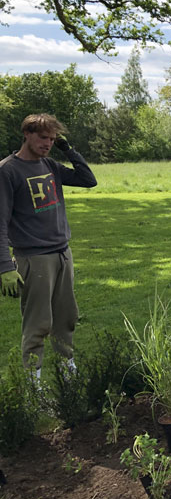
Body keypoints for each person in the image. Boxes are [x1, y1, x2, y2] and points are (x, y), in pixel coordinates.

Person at [0, 114, 97, 379]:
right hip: (34, 258)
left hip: (62, 253)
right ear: (27, 134)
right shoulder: (8, 170)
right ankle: (35, 385)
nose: (48, 143)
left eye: (53, 139)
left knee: (66, 318)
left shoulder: (50, 165)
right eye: (43, 137)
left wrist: (68, 149)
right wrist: (5, 266)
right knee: (38, 323)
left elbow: (88, 180)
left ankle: (68, 372)